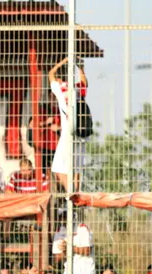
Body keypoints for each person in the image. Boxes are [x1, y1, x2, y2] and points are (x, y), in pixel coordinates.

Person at [48, 57, 88, 191]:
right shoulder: (75, 90)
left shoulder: (60, 88)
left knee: (57, 167)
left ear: (60, 79)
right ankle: (77, 190)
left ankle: (70, 191)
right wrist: (81, 68)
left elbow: (50, 74)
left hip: (68, 133)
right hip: (82, 132)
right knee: (76, 164)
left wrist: (64, 60)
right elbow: (84, 82)